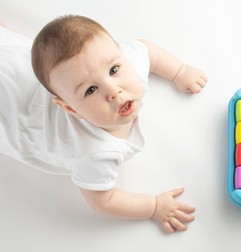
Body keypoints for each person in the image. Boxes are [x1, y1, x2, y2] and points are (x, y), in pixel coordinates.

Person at [0, 15, 207, 233]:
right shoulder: (94, 152)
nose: (113, 90)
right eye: (90, 90)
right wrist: (153, 206)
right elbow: (103, 199)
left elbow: (145, 49)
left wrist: (179, 71)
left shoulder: (126, 66)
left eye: (113, 70)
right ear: (70, 108)